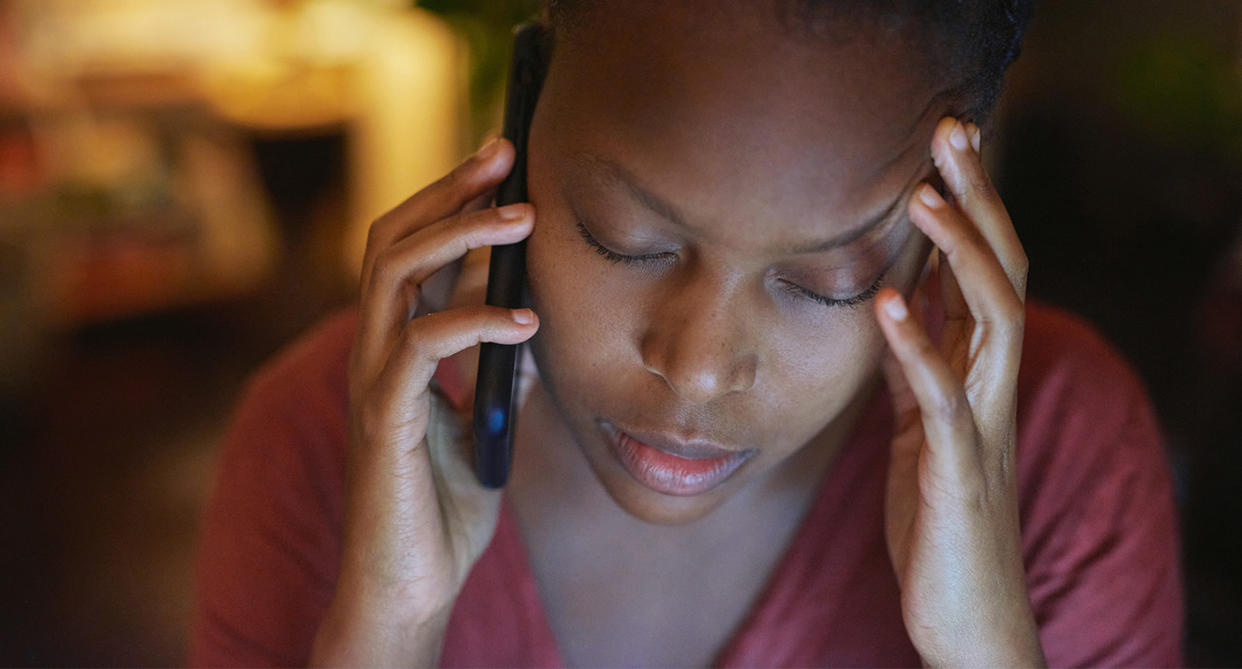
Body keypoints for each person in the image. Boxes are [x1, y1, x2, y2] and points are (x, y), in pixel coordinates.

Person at [188, 1, 1184, 666]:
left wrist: (986, 647)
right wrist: (387, 626)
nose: (699, 369)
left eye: (826, 282)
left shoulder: (1064, 447)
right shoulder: (314, 438)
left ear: (952, 223)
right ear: (523, 122)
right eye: (625, 240)